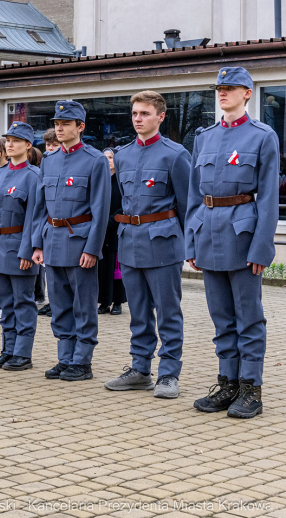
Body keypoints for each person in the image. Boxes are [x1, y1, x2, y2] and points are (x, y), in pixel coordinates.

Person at [188, 67, 278, 418]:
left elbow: (268, 196)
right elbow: (197, 195)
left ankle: (250, 389)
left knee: (249, 318)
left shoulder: (262, 135)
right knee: (221, 317)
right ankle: (227, 383)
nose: (222, 93)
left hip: (243, 234)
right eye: (219, 88)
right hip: (209, 233)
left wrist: (262, 247)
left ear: (247, 93)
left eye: (230, 88)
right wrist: (192, 242)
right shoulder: (205, 136)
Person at [100, 91, 191, 400]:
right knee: (138, 311)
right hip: (130, 242)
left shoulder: (175, 154)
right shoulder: (123, 155)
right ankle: (140, 369)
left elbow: (187, 206)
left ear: (160, 117)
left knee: (167, 311)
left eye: (145, 113)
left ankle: (168, 373)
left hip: (163, 242)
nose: (138, 119)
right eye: (135, 113)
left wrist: (188, 247)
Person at [34, 100, 111, 382]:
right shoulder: (49, 160)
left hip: (80, 243)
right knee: (60, 304)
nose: (59, 128)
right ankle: (65, 357)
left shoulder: (95, 160)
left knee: (83, 305)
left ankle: (82, 360)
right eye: (56, 124)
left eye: (65, 124)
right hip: (52, 241)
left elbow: (101, 209)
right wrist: (37, 244)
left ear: (80, 127)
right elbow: (40, 208)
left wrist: (92, 248)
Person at [0, 121, 45, 371]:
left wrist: (28, 249)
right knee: (5, 303)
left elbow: (35, 218)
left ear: (28, 145)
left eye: (16, 140)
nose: (10, 144)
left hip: (18, 247)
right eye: (8, 139)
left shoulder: (34, 176)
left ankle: (23, 353)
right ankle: (8, 348)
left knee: (23, 302)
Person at [97, 149, 127, 316]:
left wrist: (112, 220)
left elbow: (126, 204)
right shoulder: (100, 180)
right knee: (102, 269)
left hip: (115, 230)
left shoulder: (121, 181)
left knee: (116, 269)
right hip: (101, 232)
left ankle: (117, 302)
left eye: (110, 157)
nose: (107, 160)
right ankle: (103, 302)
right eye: (104, 158)